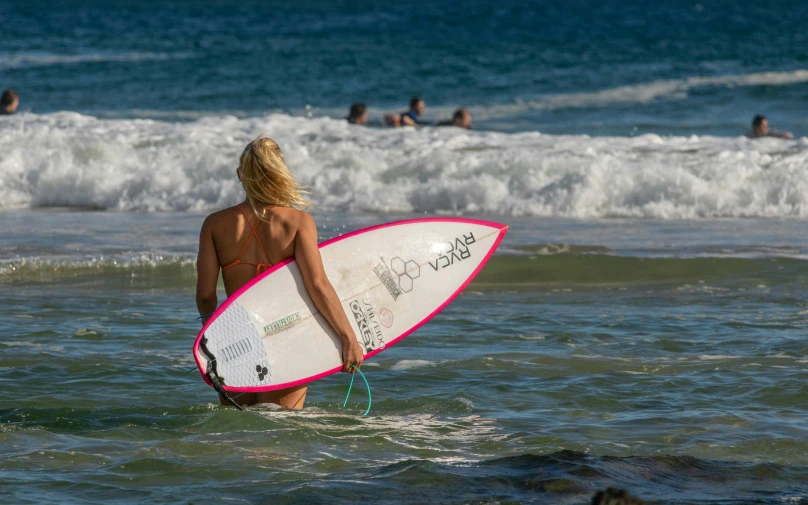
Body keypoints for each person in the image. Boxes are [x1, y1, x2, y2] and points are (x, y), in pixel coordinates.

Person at [196, 135, 365, 409]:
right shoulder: (298, 222)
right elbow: (318, 285)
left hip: (235, 343)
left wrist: (212, 340)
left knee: (237, 435)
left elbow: (205, 295)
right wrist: (348, 337)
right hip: (285, 338)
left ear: (241, 174)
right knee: (277, 437)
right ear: (279, 174)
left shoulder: (214, 224)